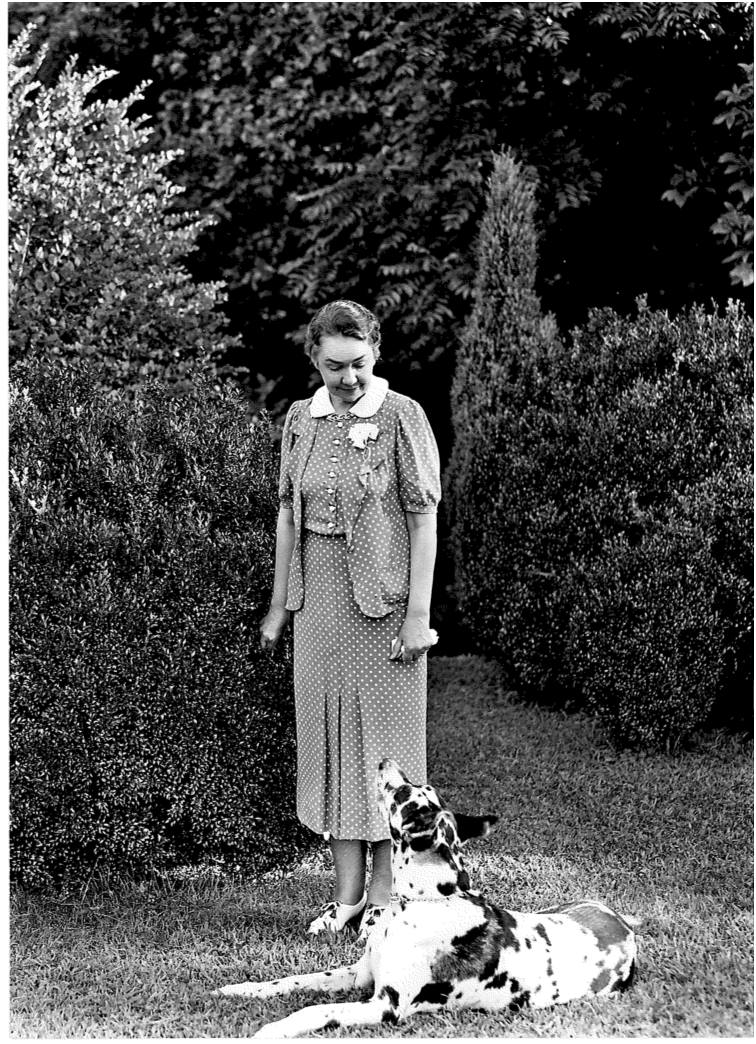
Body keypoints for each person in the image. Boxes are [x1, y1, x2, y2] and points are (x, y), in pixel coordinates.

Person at [259, 299, 441, 939]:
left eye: (358, 364)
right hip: (318, 612)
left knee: (386, 754)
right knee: (333, 748)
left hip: (384, 611)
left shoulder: (402, 417)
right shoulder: (299, 421)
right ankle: (347, 898)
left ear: (376, 355)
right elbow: (288, 515)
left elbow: (424, 519)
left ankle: (389, 898)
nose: (347, 378)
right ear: (314, 358)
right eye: (334, 366)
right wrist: (280, 606)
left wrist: (418, 616)